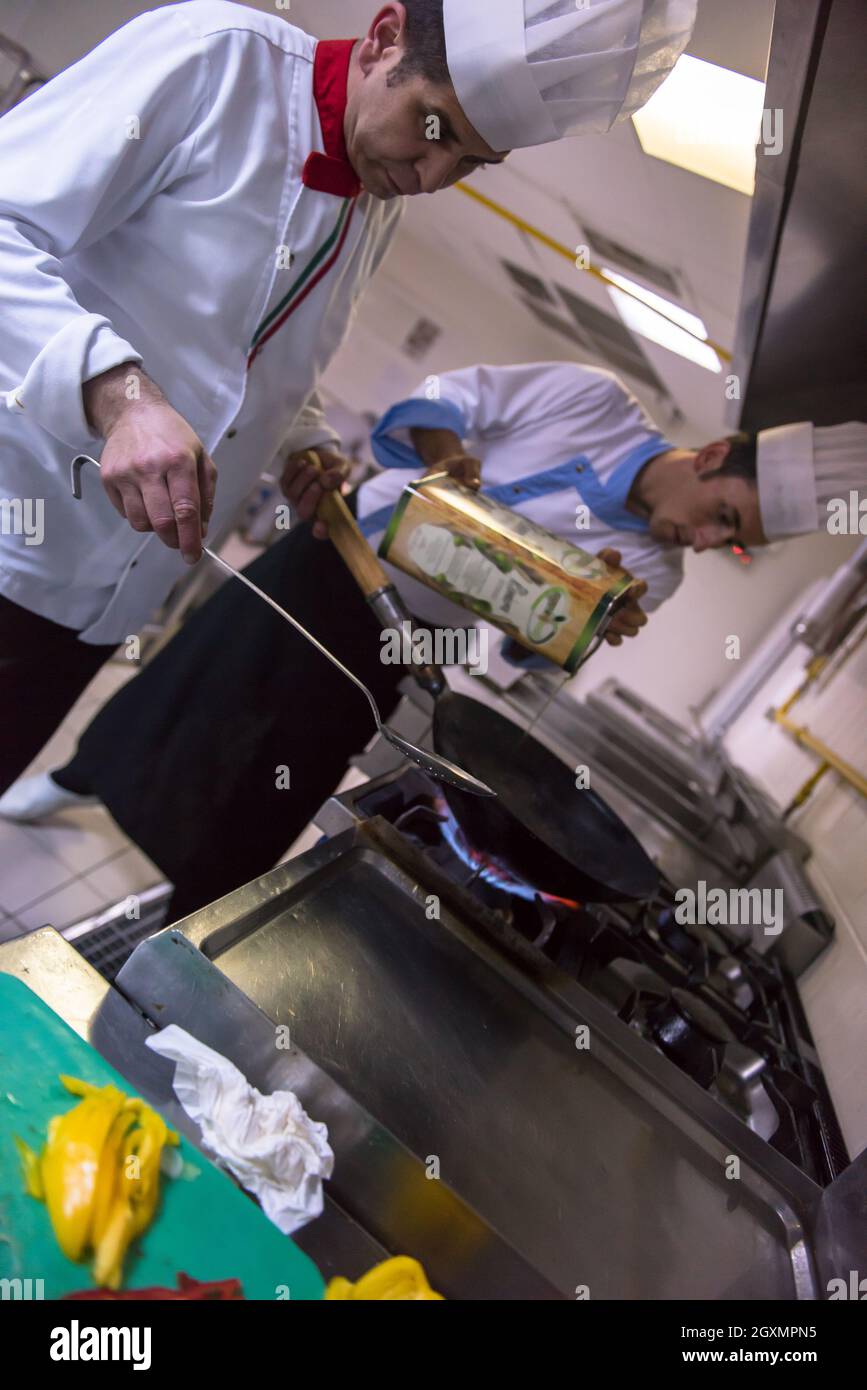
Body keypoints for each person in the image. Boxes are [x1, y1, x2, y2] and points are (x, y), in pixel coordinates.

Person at [0, 0, 697, 796]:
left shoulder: (377, 204)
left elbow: (256, 364)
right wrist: (121, 397)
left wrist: (306, 440)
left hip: (103, 606)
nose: (433, 176)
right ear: (383, 35)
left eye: (471, 162)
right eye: (434, 126)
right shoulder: (217, 59)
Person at [4, 361, 863, 926]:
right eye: (723, 517)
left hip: (407, 640)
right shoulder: (594, 401)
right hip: (340, 551)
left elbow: (522, 661)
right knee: (194, 678)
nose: (707, 542)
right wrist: (449, 456)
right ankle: (79, 778)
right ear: (712, 455)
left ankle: (192, 912)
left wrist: (576, 621)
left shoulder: (653, 574)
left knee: (287, 770)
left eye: (730, 541)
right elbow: (452, 396)